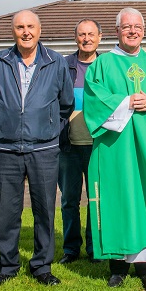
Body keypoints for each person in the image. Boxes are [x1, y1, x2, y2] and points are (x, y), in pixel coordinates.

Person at [83, 8, 146, 291]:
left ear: (143, 30)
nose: (132, 31)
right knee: (119, 198)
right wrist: (126, 102)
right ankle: (117, 267)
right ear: (117, 31)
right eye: (127, 26)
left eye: (137, 26)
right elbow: (94, 98)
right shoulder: (102, 65)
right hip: (115, 146)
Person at [0, 9, 73, 287]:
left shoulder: (56, 62)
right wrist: (6, 123)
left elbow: (66, 104)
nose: (26, 32)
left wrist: (46, 129)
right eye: (20, 27)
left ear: (40, 29)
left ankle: (41, 267)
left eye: (31, 26)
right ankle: (8, 267)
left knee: (44, 210)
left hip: (44, 149)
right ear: (13, 31)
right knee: (8, 212)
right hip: (6, 149)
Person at [57, 19, 102, 265]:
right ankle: (71, 249)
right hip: (68, 146)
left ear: (100, 37)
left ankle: (95, 248)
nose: (86, 38)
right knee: (69, 200)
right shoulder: (63, 66)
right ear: (76, 38)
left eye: (91, 34)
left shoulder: (107, 65)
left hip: (98, 145)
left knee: (96, 200)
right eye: (82, 34)